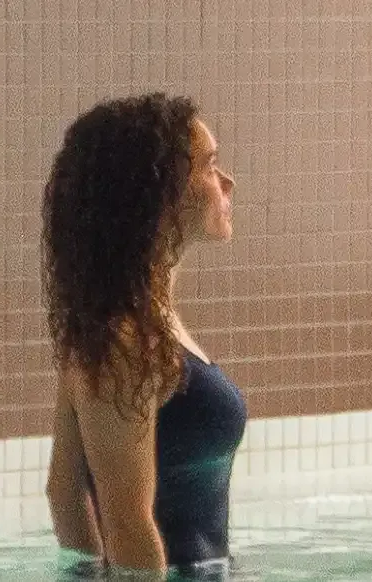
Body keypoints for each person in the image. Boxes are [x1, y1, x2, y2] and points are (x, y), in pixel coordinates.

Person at [41, 92, 245, 581]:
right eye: (209, 165)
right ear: (161, 192)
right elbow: (125, 521)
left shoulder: (136, 323)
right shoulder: (124, 341)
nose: (227, 181)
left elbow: (63, 493)